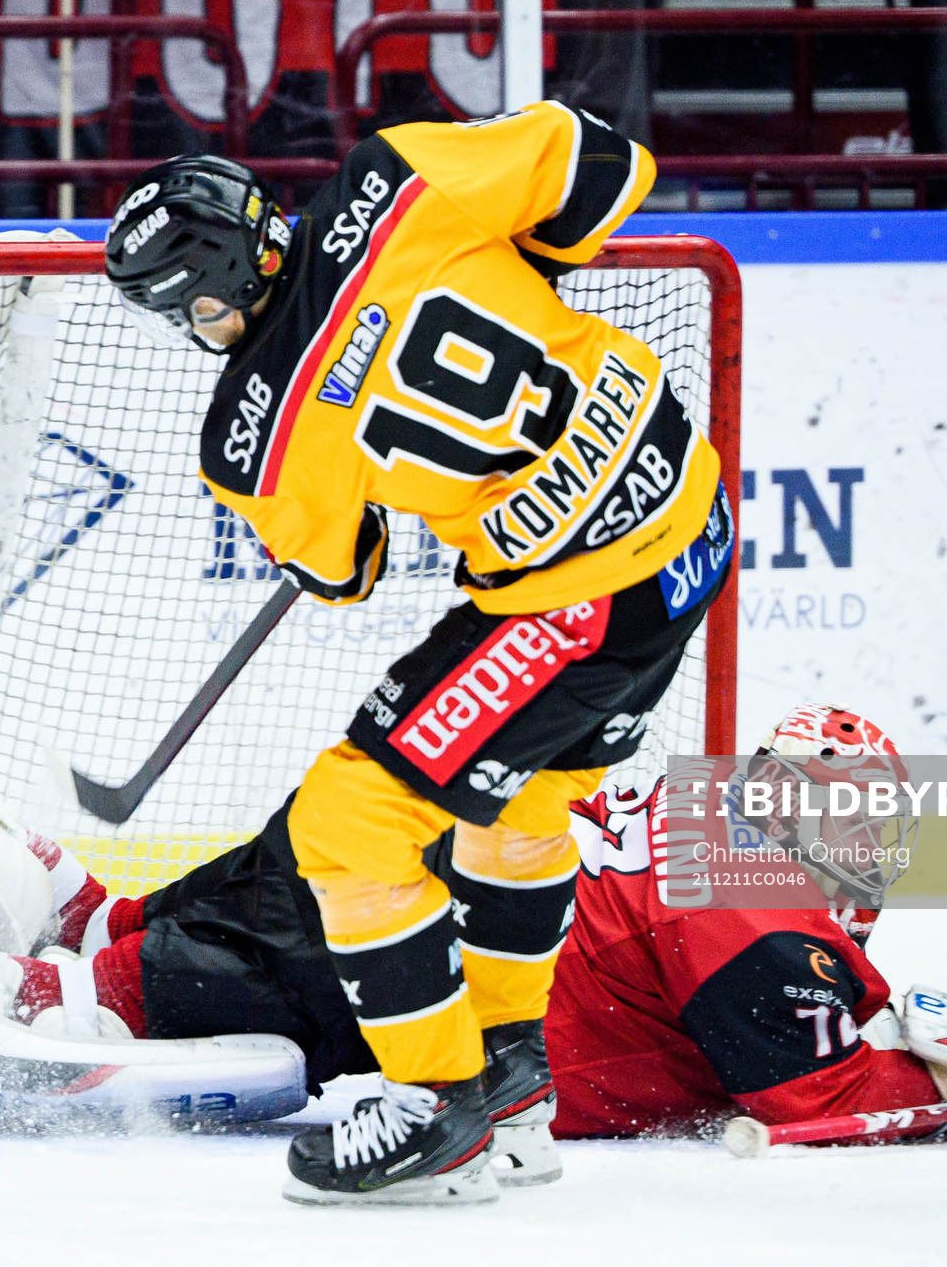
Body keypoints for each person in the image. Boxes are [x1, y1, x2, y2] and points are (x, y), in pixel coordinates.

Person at [0, 693, 947, 1173]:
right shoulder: (743, 871)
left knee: (96, 940)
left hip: (364, 856)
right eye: (855, 818)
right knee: (74, 1016)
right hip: (388, 958)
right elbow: (808, 1098)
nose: (865, 850)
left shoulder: (696, 821)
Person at [99, 103, 731, 1204]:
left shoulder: (252, 432)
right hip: (690, 521)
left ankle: (438, 1113)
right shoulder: (394, 178)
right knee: (520, 807)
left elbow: (347, 569)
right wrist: (521, 264)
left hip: (578, 601)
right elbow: (604, 162)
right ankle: (513, 1085)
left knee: (347, 826)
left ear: (207, 296)